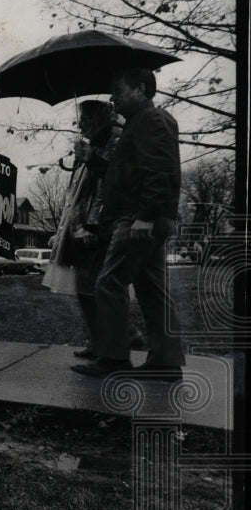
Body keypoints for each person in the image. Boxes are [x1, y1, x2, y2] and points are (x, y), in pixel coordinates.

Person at [72, 68, 185, 381]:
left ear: (141, 88)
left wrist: (145, 217)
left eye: (118, 91)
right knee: (152, 290)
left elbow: (161, 171)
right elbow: (125, 175)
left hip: (139, 218)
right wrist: (92, 159)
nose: (112, 99)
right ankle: (165, 362)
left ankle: (113, 358)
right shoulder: (139, 123)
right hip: (144, 216)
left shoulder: (152, 120)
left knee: (108, 283)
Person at [44, 100, 144, 358]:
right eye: (79, 121)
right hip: (81, 226)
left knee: (100, 287)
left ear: (99, 118)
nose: (81, 127)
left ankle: (120, 339)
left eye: (85, 120)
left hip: (102, 226)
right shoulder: (94, 144)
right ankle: (100, 341)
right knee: (84, 287)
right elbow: (78, 189)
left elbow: (118, 178)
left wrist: (91, 159)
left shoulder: (118, 139)